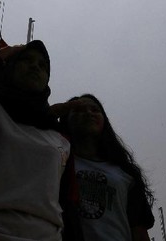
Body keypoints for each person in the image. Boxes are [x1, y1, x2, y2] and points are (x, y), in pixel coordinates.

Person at [0, 40, 80, 241]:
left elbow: (68, 205)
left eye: (42, 65)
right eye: (26, 60)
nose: (35, 66)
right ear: (9, 67)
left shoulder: (60, 137)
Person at [60, 94, 155, 241]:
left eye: (95, 110)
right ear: (66, 119)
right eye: (79, 110)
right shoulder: (57, 164)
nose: (88, 113)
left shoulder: (126, 173)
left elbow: (138, 228)